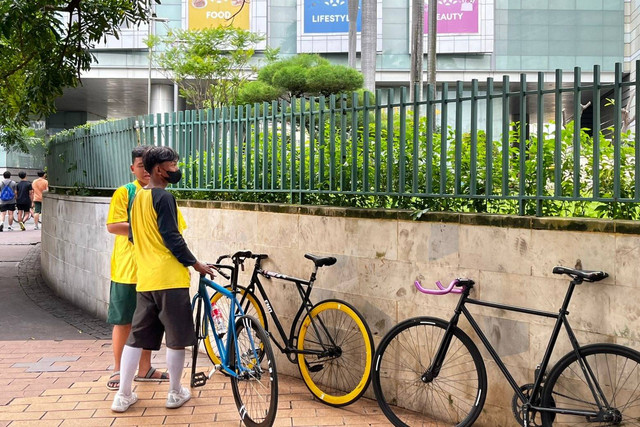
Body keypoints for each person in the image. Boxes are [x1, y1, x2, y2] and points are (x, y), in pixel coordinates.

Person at [111, 146, 214, 413]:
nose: (176, 169)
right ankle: (174, 392)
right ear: (158, 169)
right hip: (170, 278)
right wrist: (196, 264)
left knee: (137, 337)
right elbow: (173, 237)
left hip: (145, 279)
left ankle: (123, 395)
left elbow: (134, 235)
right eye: (173, 165)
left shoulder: (137, 198)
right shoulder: (164, 198)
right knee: (176, 338)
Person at [105, 146, 170, 391]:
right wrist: (144, 230)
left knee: (148, 323)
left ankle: (144, 369)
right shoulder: (125, 193)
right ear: (133, 168)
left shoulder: (161, 193)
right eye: (140, 166)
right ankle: (119, 370)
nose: (145, 170)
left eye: (149, 165)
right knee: (123, 321)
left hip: (152, 270)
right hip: (127, 270)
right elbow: (113, 225)